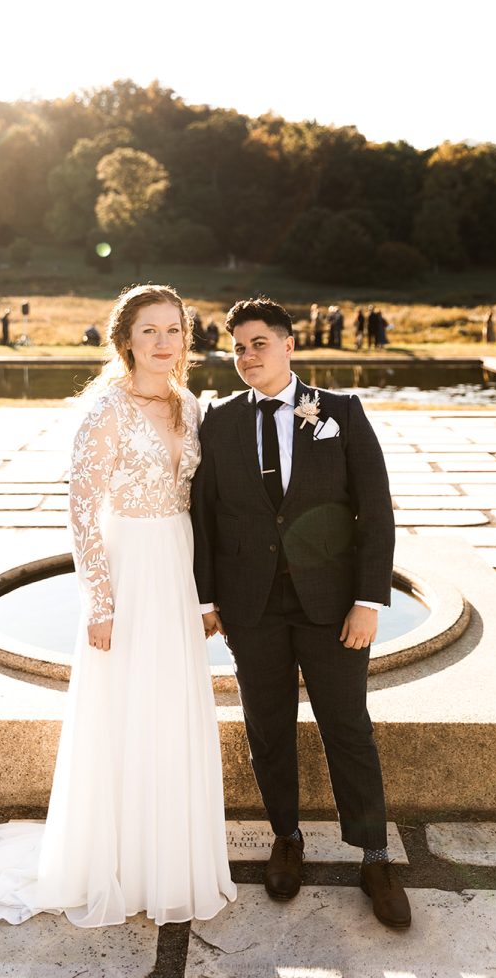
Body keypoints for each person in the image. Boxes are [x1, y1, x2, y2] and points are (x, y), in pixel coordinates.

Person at [0, 284, 236, 927]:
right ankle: (112, 859)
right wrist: (100, 599)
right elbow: (82, 509)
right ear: (125, 340)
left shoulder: (190, 405)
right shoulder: (105, 409)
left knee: (171, 703)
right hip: (127, 563)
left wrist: (210, 594)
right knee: (125, 707)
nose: (163, 342)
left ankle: (168, 858)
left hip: (176, 564)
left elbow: (202, 503)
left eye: (174, 329)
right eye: (149, 330)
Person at [191, 297, 411, 931]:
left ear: (290, 344)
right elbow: (204, 515)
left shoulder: (340, 412)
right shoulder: (218, 420)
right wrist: (208, 598)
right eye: (237, 347)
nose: (247, 356)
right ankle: (286, 839)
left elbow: (376, 511)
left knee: (349, 728)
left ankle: (374, 856)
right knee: (268, 728)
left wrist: (368, 601)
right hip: (251, 606)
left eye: (259, 342)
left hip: (333, 606)